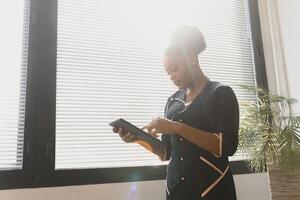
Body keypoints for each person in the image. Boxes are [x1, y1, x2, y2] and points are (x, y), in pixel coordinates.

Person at [112, 25, 239, 200]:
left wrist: (176, 127)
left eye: (174, 68)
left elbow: (227, 146)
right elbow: (166, 152)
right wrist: (137, 138)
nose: (171, 76)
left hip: (211, 188)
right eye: (167, 72)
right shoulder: (172, 101)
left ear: (192, 59)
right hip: (177, 190)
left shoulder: (220, 93)